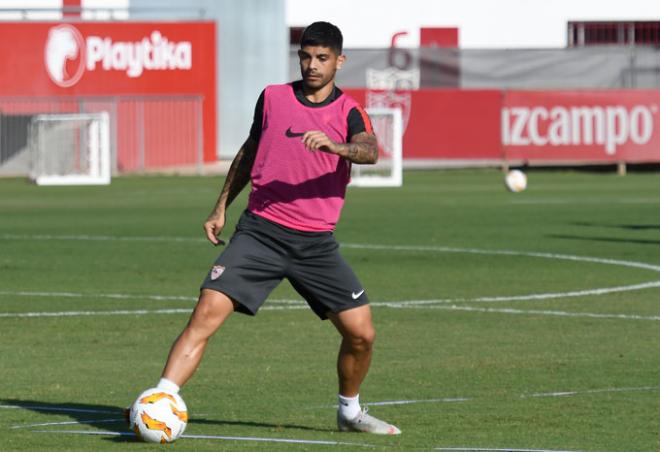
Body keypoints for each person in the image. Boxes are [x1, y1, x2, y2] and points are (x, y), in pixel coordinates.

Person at [151, 21, 400, 435]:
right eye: (305, 56)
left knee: (362, 334)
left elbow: (370, 150)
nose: (312, 65)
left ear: (340, 61)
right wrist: (220, 208)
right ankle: (161, 398)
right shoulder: (272, 98)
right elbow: (249, 152)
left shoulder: (348, 111)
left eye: (322, 58)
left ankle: (350, 412)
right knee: (205, 314)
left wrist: (337, 146)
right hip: (260, 234)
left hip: (316, 245)